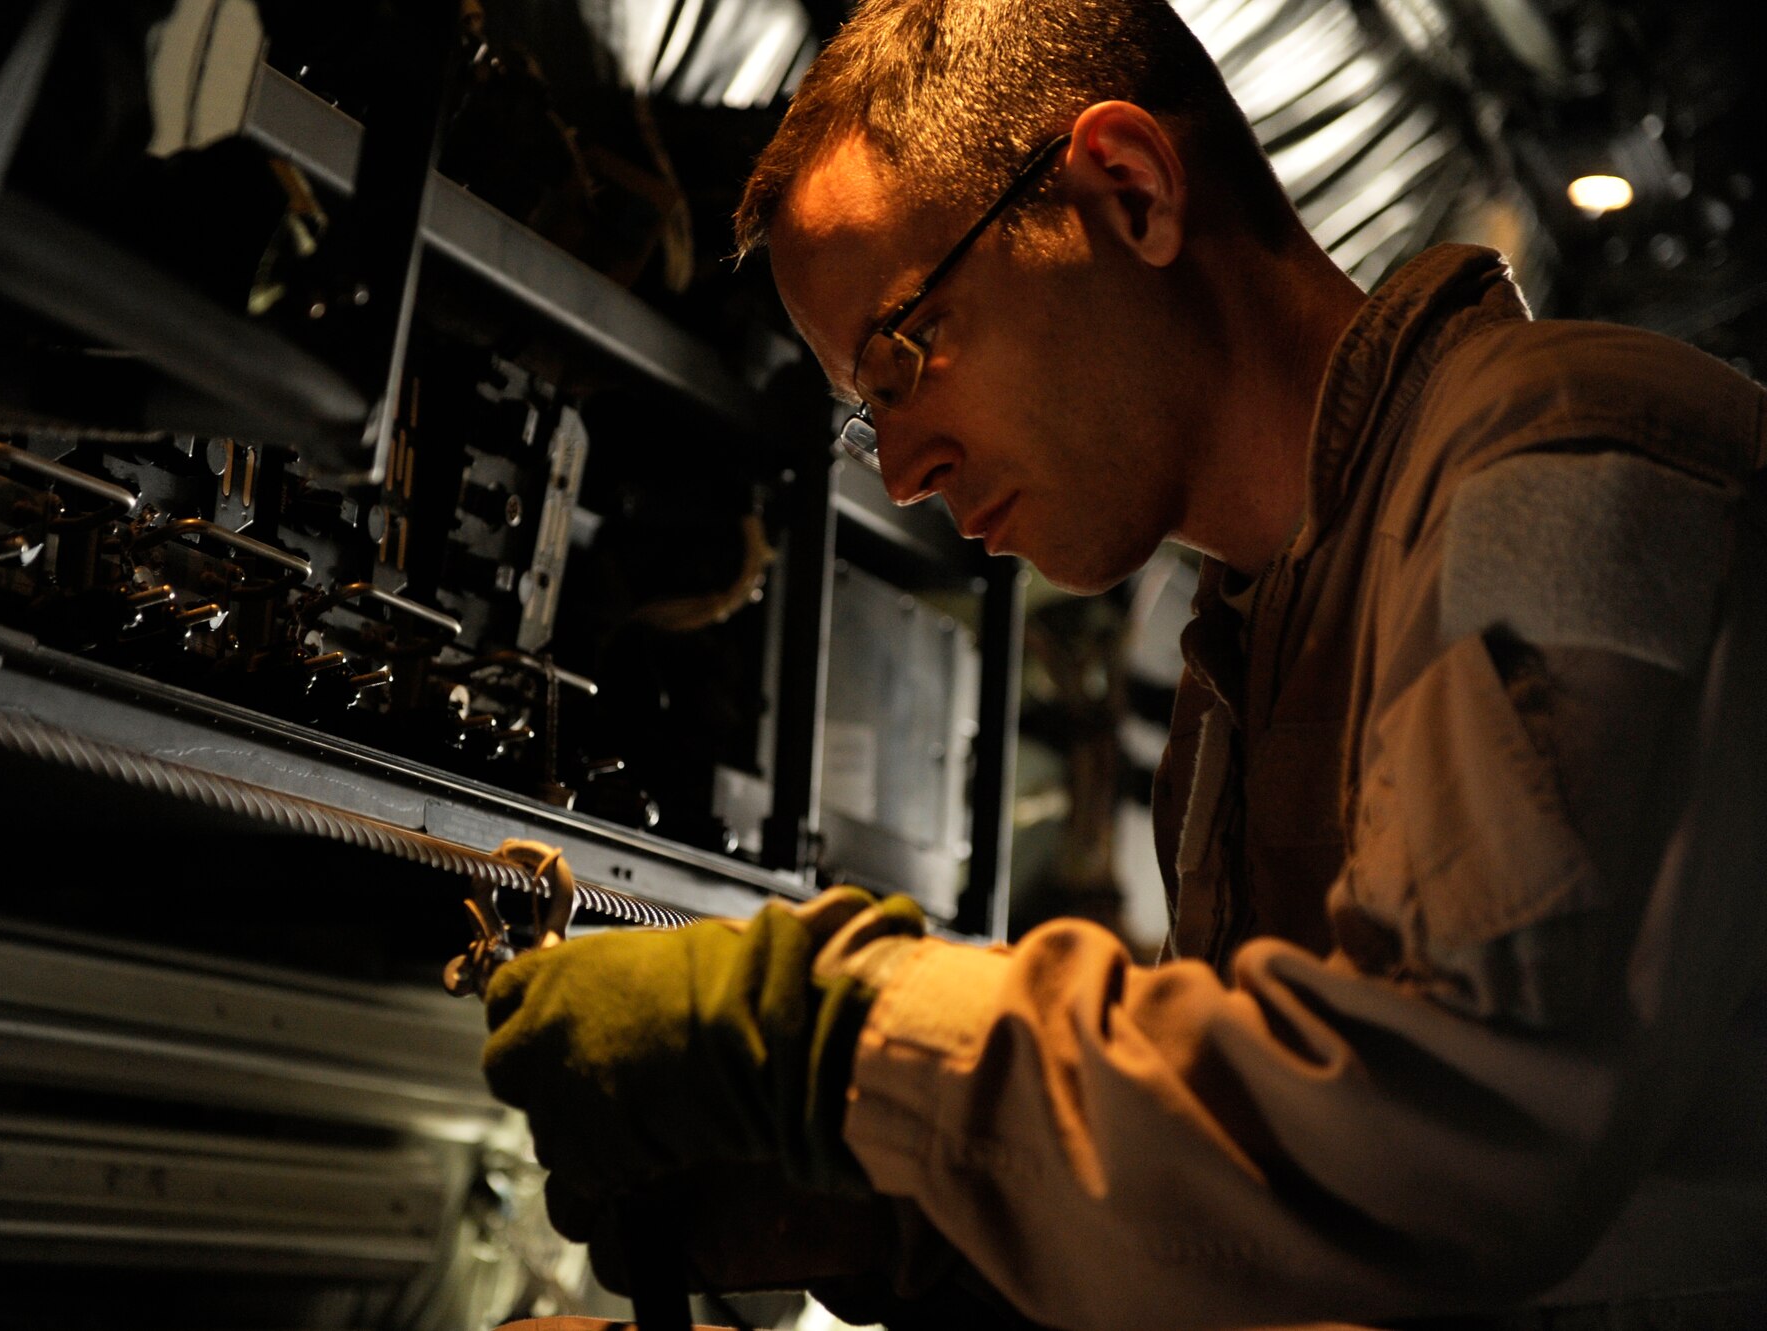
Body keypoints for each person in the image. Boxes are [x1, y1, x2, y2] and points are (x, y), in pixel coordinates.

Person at [480, 1, 1767, 1327]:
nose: (905, 474)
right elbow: (1277, 1235)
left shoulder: (1571, 459)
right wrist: (907, 1222)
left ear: (1131, 191)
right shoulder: (1242, 673)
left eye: (905, 354)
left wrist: (820, 1036)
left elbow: (1453, 1134)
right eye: (870, 418)